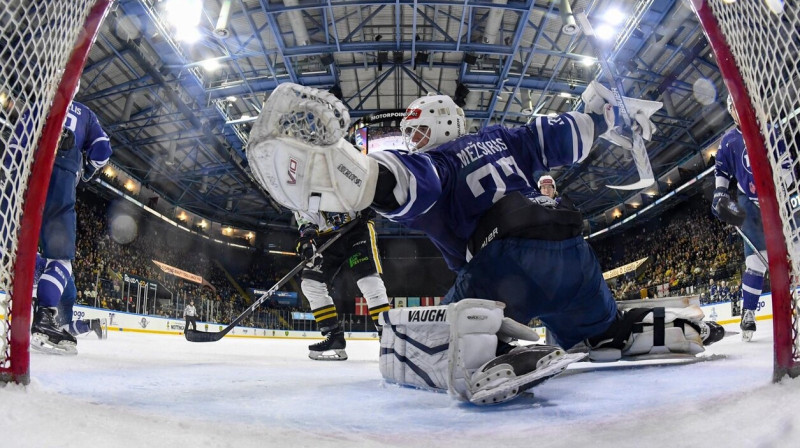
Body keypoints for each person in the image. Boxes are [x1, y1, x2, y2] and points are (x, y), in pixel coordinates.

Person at [247, 82, 723, 403]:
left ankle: (487, 356)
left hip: (504, 264)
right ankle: (643, 330)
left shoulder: (438, 163)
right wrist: (604, 115)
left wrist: (335, 166)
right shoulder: (506, 138)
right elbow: (568, 134)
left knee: (418, 340)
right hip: (573, 254)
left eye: (418, 131)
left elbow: (393, 182)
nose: (414, 141)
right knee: (599, 334)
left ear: (442, 125)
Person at [30, 99, 112, 354]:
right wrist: (87, 170)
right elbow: (102, 149)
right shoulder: (86, 114)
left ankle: (46, 316)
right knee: (61, 261)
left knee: (19, 244)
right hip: (63, 165)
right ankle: (44, 319)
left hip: (27, 161)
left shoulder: (46, 99)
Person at [711, 94, 772, 341]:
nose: (739, 111)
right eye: (734, 108)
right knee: (756, 262)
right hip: (750, 202)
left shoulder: (769, 129)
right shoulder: (729, 141)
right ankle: (748, 312)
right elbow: (721, 170)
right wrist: (720, 192)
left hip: (776, 199)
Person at [294, 209, 391, 360]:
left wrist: (369, 204)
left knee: (368, 280)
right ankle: (334, 337)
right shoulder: (295, 196)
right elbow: (305, 219)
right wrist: (306, 242)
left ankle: (388, 338)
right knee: (311, 283)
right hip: (326, 237)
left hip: (356, 228)